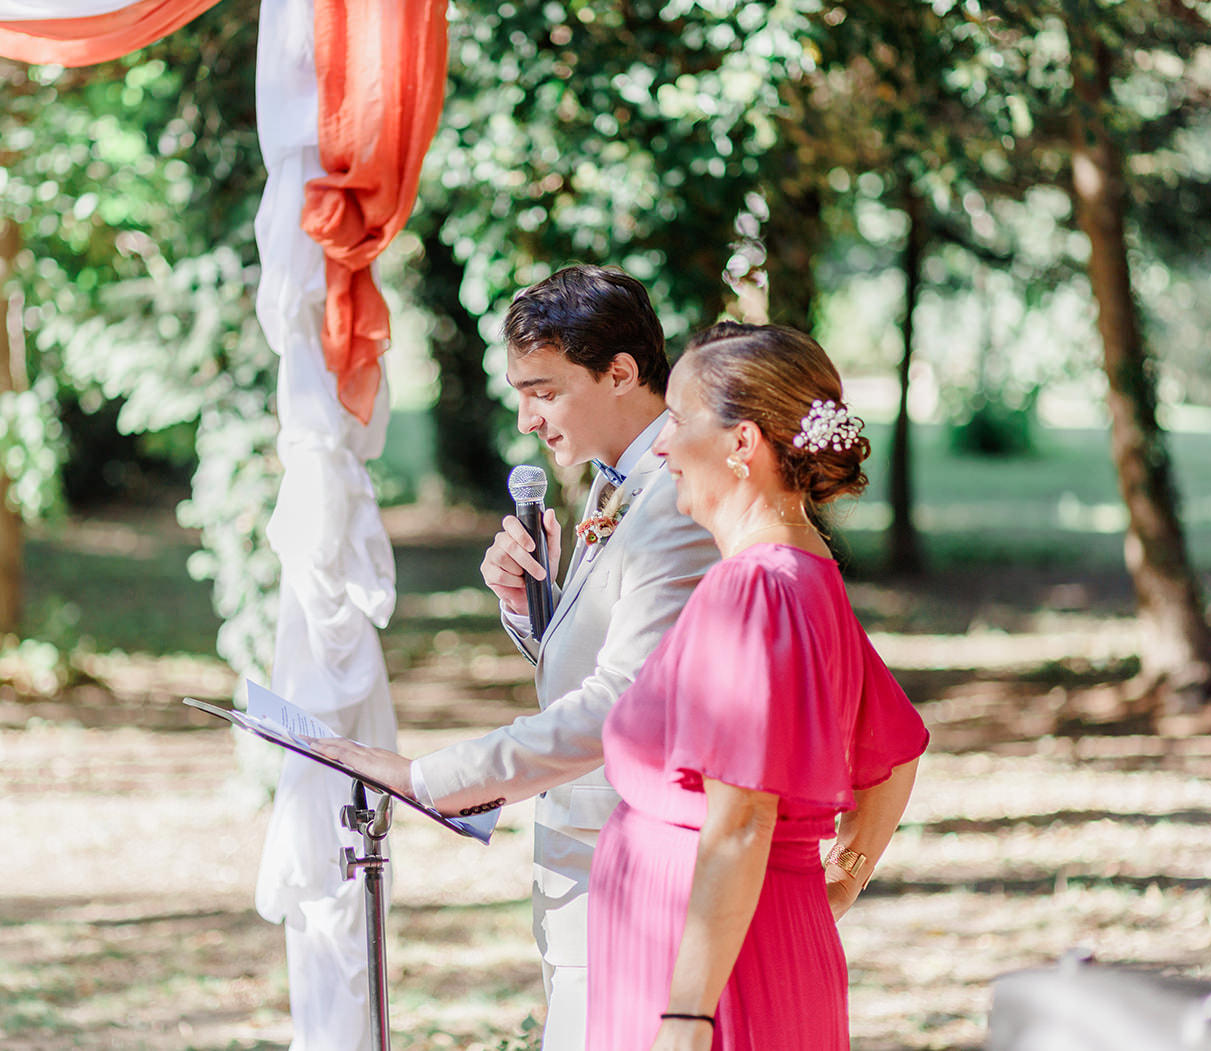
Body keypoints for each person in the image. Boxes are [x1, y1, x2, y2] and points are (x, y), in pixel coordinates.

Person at [313, 265, 718, 1050]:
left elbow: (622, 707)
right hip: (583, 865)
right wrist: (534, 604)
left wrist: (428, 777)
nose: (527, 417)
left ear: (622, 373)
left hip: (636, 877)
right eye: (518, 391)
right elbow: (616, 658)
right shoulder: (618, 482)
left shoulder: (672, 496)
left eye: (544, 389)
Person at [585, 321, 929, 1051]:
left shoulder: (754, 591)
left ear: (743, 445)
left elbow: (741, 820)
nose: (662, 446)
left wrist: (685, 1014)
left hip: (710, 972)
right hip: (760, 938)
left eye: (677, 421)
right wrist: (838, 881)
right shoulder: (806, 578)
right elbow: (895, 756)